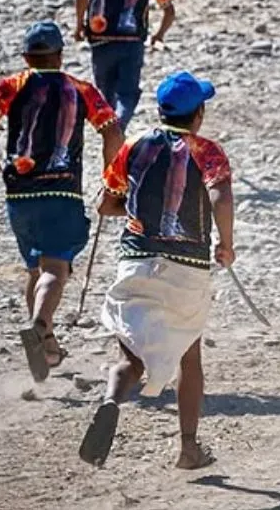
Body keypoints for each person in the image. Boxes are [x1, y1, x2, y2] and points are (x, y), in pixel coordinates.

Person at [80, 71, 236, 470]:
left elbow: (106, 205)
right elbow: (220, 197)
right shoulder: (207, 151)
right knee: (189, 355)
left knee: (130, 356)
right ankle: (188, 447)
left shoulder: (133, 146)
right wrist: (226, 244)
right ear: (198, 113)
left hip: (136, 261)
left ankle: (112, 399)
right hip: (187, 267)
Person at [0, 21, 122, 382]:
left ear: (27, 57)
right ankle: (40, 325)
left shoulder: (11, 85)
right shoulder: (80, 89)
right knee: (56, 269)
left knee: (36, 269)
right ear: (59, 56)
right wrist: (111, 178)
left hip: (19, 196)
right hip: (61, 192)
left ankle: (48, 346)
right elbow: (112, 131)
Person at [75, 0, 177, 132]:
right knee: (128, 92)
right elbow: (168, 8)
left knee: (105, 91)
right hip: (133, 40)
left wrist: (79, 26)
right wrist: (158, 35)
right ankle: (118, 127)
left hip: (101, 38)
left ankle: (111, 131)